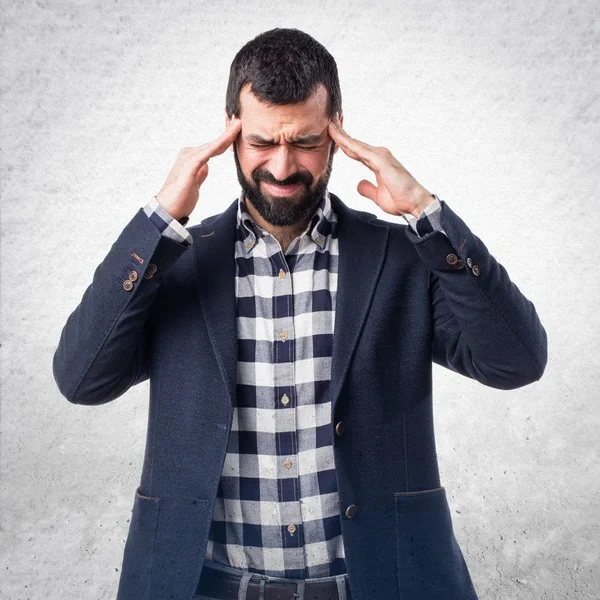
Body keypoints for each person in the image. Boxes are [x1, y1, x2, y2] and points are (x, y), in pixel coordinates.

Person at [52, 27, 547, 600]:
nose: (282, 168)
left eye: (306, 142)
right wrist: (158, 220)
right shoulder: (175, 260)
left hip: (384, 586)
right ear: (230, 132)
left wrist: (425, 212)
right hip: (200, 587)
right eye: (262, 142)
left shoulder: (406, 257)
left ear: (337, 130)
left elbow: (517, 361)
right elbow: (81, 378)